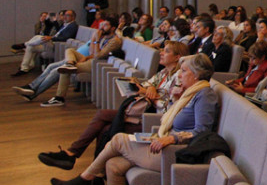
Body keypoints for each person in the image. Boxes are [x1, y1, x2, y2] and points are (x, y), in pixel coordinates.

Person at [50, 54, 218, 185]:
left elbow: (203, 132)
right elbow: (172, 119)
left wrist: (172, 138)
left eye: (184, 71)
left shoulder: (205, 94)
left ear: (196, 75)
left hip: (177, 155)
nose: (179, 75)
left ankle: (84, 180)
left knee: (118, 139)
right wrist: (174, 100)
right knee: (113, 164)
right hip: (164, 146)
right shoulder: (189, 93)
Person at [37, 41, 188, 171]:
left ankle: (74, 155)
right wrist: (150, 89)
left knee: (103, 119)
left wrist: (152, 96)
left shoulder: (179, 78)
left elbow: (170, 106)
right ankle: (83, 164)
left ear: (177, 57)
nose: (161, 53)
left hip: (153, 120)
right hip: (142, 113)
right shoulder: (163, 72)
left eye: (166, 51)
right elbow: (147, 84)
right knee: (103, 126)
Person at [15, 17, 122, 107]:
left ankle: (56, 97)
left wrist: (96, 40)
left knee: (59, 70)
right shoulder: (104, 37)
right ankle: (69, 63)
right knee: (69, 51)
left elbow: (99, 56)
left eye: (106, 25)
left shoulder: (115, 41)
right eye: (103, 25)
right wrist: (94, 41)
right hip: (91, 59)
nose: (102, 28)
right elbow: (92, 51)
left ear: (113, 28)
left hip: (96, 64)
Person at [12, 9, 78, 77]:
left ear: (73, 17)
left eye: (67, 15)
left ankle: (24, 44)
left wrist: (51, 38)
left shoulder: (73, 26)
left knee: (40, 37)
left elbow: (65, 38)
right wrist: (50, 37)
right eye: (65, 15)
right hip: (51, 43)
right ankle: (24, 69)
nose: (64, 17)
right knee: (30, 47)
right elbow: (55, 31)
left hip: (56, 44)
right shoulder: (65, 25)